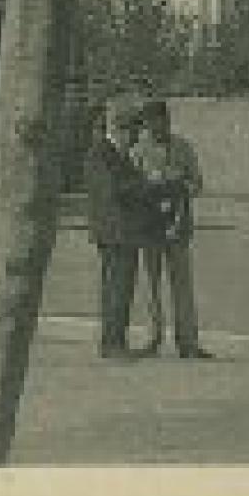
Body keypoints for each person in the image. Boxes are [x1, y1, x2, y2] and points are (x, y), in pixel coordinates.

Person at [132, 100, 210, 358]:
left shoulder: (183, 148)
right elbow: (131, 186)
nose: (156, 127)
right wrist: (149, 185)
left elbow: (197, 184)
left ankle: (188, 342)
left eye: (160, 121)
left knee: (182, 286)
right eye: (150, 123)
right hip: (149, 226)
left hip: (177, 226)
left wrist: (178, 184)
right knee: (150, 285)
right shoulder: (138, 151)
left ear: (167, 120)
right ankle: (152, 339)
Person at [82, 103, 161, 359]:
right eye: (134, 132)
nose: (137, 138)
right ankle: (112, 344)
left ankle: (116, 341)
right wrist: (148, 184)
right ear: (120, 130)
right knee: (117, 287)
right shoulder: (101, 153)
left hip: (123, 232)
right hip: (115, 232)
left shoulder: (115, 154)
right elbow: (115, 191)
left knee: (121, 287)